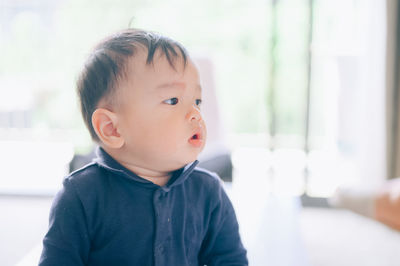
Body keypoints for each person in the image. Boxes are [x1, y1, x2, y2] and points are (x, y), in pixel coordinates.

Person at [39, 29, 248, 266]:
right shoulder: (81, 196)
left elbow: (231, 260)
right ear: (112, 129)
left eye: (197, 101)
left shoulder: (209, 192)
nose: (195, 114)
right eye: (172, 100)